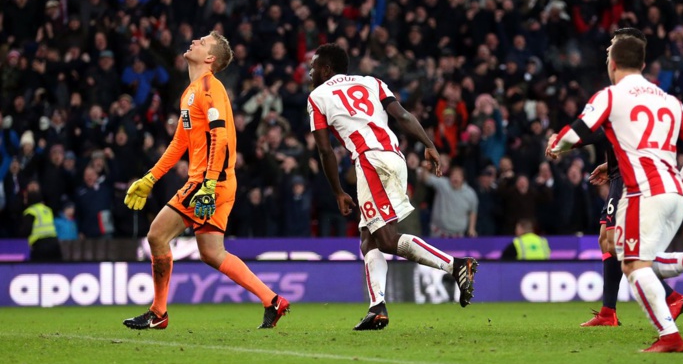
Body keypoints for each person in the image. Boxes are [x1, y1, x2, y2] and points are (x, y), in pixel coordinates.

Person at [549, 29, 683, 353]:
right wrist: (681, 181)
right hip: (675, 193)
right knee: (635, 258)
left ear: (612, 64)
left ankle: (669, 335)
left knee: (633, 265)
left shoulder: (610, 96)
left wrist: (558, 145)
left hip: (643, 193)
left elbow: (577, 132)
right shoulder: (668, 100)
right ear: (642, 63)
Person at [122, 31, 290, 330]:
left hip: (209, 181)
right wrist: (150, 178)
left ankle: (158, 312)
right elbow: (179, 142)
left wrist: (209, 184)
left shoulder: (210, 87)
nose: (194, 42)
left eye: (201, 42)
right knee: (212, 253)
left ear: (210, 58)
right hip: (216, 181)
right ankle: (272, 300)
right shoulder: (190, 92)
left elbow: (221, 135)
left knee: (157, 236)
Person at [308, 43, 477, 331]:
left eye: (313, 67)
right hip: (394, 158)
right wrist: (429, 144)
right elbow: (403, 117)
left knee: (386, 239)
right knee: (368, 237)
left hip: (370, 162)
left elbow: (325, 151)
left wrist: (338, 191)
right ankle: (377, 308)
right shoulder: (372, 82)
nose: (310, 72)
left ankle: (456, 265)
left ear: (325, 69)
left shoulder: (317, 96)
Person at [419, 165, 478, 238]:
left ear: (463, 178)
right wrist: (425, 167)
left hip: (458, 236)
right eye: (453, 175)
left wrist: (471, 228)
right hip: (437, 234)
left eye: (458, 175)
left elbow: (473, 211)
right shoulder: (442, 184)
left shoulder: (470, 193)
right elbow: (426, 178)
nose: (455, 177)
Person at [22, 180, 62, 261]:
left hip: (40, 246)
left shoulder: (30, 212)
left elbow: (25, 231)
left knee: (38, 269)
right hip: (54, 244)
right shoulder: (48, 210)